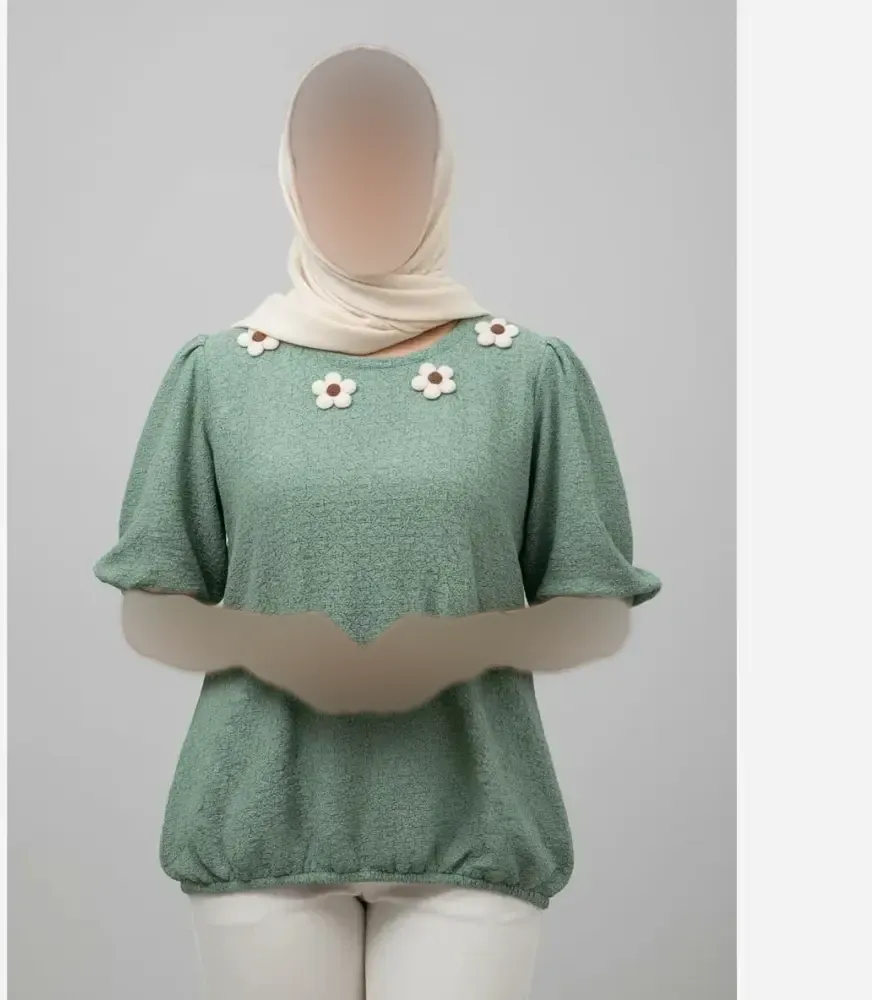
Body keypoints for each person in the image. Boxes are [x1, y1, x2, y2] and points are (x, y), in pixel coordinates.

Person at [93, 44, 661, 1000]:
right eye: (335, 164)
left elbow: (596, 608)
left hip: (474, 818)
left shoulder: (529, 374)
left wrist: (456, 647)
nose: (363, 190)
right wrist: (269, 645)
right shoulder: (216, 375)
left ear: (437, 177)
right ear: (293, 178)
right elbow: (150, 605)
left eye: (392, 162)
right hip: (258, 817)